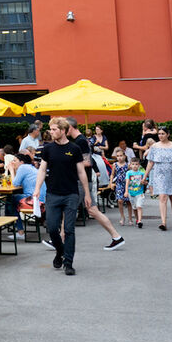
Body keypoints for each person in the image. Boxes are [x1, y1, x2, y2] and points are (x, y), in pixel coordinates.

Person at [33, 119, 89, 275]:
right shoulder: (48, 149)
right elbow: (42, 170)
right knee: (51, 227)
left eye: (54, 129)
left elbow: (81, 172)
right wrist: (37, 189)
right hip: (53, 194)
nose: (51, 132)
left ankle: (68, 263)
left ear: (63, 131)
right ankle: (60, 251)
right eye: (50, 129)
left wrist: (87, 193)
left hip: (71, 193)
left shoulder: (74, 148)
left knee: (69, 230)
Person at [64, 118, 127, 250]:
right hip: (83, 180)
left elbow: (87, 162)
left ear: (69, 127)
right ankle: (116, 237)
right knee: (92, 210)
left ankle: (59, 239)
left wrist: (67, 162)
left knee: (69, 210)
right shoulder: (80, 140)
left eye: (64, 127)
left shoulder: (80, 141)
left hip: (82, 181)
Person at [145, 125, 172, 230]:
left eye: (163, 134)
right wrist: (145, 176)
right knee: (162, 197)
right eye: (159, 134)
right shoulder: (154, 147)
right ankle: (163, 222)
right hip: (159, 174)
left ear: (168, 134)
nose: (160, 136)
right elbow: (150, 162)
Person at [125, 158, 148, 227]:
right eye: (133, 164)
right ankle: (137, 219)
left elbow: (146, 182)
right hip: (131, 193)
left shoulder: (142, 173)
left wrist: (144, 182)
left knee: (139, 206)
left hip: (140, 193)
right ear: (130, 165)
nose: (135, 166)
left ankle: (140, 221)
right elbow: (127, 182)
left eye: (136, 164)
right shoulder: (129, 173)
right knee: (134, 208)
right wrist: (126, 191)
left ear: (139, 165)